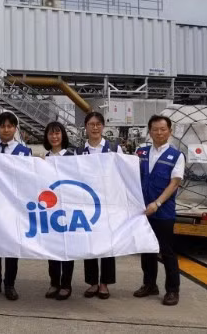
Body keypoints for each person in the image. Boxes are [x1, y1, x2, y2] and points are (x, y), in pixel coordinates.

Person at [134, 115, 184, 306]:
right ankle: (149, 285)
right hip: (143, 210)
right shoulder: (141, 152)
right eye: (155, 129)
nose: (159, 132)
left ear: (169, 132)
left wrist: (157, 203)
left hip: (163, 211)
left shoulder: (177, 156)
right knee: (146, 250)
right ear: (150, 131)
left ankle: (172, 290)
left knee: (166, 251)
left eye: (163, 129)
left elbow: (174, 183)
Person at [0, 111, 31, 301]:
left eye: (10, 126)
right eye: (2, 126)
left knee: (11, 247)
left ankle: (9, 284)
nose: (6, 129)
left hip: (13, 208)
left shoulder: (24, 152)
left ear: (15, 129)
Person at [76, 111, 122, 300]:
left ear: (103, 127)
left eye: (98, 124)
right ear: (85, 127)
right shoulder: (78, 152)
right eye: (91, 124)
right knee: (90, 244)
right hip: (87, 205)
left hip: (108, 204)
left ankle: (105, 283)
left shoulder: (113, 149)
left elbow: (123, 174)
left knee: (107, 245)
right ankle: (93, 282)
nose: (95, 127)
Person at [43, 121, 75, 301]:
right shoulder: (45, 158)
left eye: (57, 133)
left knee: (67, 249)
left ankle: (66, 284)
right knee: (52, 248)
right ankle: (54, 282)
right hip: (51, 209)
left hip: (68, 209)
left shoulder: (72, 156)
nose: (54, 137)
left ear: (63, 135)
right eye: (51, 134)